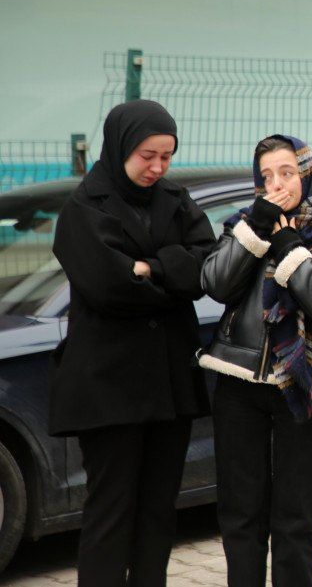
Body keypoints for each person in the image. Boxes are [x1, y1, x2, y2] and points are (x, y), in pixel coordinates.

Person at [50, 100, 216, 587]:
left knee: (159, 511)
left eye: (167, 156)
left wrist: (149, 268)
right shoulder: (84, 207)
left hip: (169, 386)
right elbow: (109, 286)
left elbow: (205, 267)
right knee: (111, 512)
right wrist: (167, 273)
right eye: (148, 156)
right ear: (121, 146)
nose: (158, 167)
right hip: (109, 390)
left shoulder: (176, 200)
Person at [200, 134, 312, 587]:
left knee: (296, 516)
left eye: (287, 173)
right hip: (239, 382)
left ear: (307, 173)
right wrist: (255, 232)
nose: (276, 185)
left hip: (303, 385)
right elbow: (215, 283)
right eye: (267, 177)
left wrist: (292, 250)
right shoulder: (245, 223)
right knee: (240, 511)